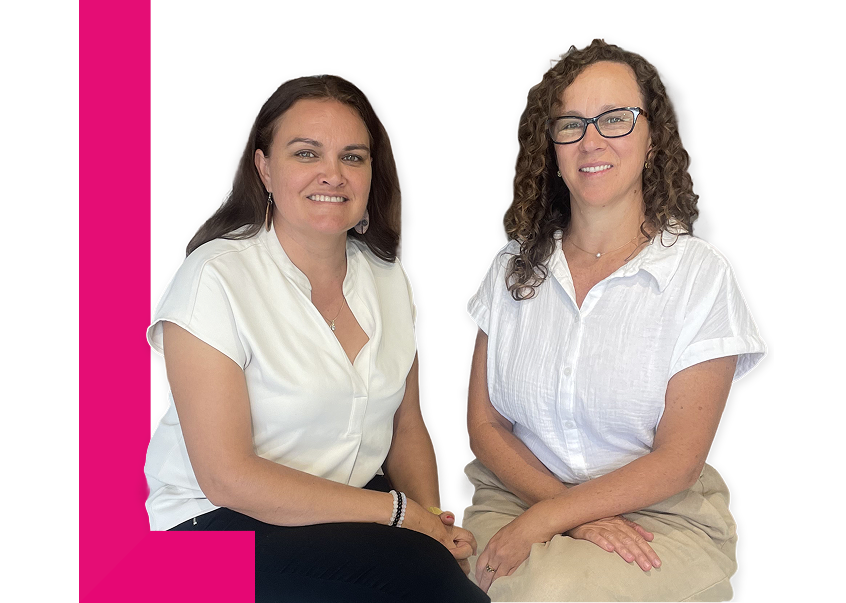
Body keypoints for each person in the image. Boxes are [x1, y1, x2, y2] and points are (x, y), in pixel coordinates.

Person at [145, 74, 489, 602]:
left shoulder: (386, 274)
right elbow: (227, 477)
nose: (332, 174)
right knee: (430, 593)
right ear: (263, 167)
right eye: (307, 153)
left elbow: (406, 422)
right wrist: (400, 514)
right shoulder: (213, 279)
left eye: (353, 157)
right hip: (214, 524)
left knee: (442, 577)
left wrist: (434, 521)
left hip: (346, 505)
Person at [461, 39, 766, 602]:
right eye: (571, 123)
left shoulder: (699, 274)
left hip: (659, 515)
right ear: (551, 147)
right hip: (514, 494)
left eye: (616, 119)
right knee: (444, 581)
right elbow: (486, 427)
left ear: (653, 140)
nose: (591, 139)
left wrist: (545, 523)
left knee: (548, 594)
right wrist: (559, 514)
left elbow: (678, 460)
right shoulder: (512, 266)